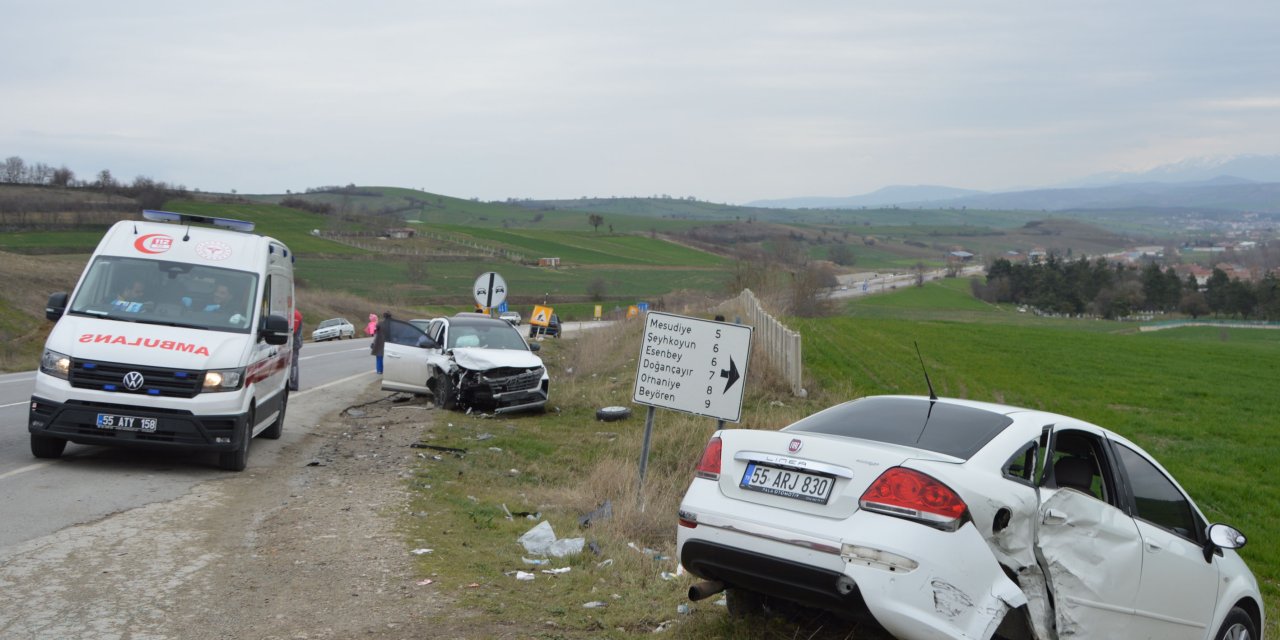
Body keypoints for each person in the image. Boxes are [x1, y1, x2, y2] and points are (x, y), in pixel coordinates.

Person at [289, 307, 303, 391]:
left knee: (293, 364)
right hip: (292, 342)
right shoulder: (292, 313)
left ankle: (294, 384)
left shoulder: (295, 314)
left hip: (294, 343)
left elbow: (292, 330)